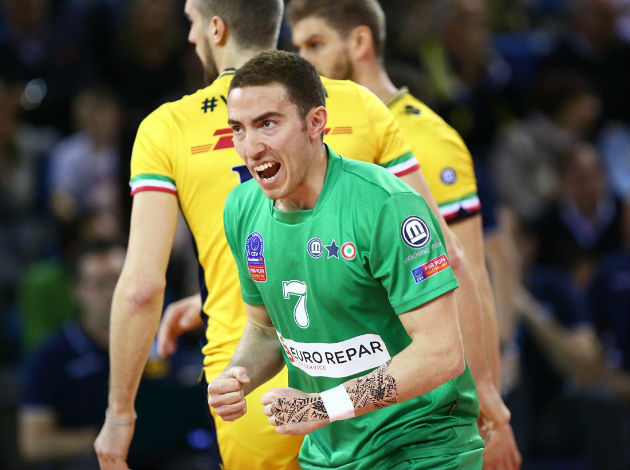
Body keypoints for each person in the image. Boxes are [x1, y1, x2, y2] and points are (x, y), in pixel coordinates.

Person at [94, 1, 462, 469]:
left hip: (311, 406)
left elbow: (141, 290)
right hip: (322, 389)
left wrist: (120, 413)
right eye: (238, 130)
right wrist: (487, 393)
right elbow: (442, 255)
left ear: (216, 28)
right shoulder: (352, 108)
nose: (250, 147)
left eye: (191, 22)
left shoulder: (168, 128)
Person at [210, 49, 484, 470]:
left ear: (315, 122)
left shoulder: (385, 205)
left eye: (267, 124)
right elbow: (265, 331)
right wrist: (237, 376)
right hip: (329, 456)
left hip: (422, 449)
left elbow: (441, 352)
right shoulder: (242, 209)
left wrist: (323, 406)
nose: (251, 147)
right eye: (238, 129)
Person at [286, 1, 519, 467]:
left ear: (359, 42)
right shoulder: (322, 136)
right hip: (344, 405)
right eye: (298, 48)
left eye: (315, 44)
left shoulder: (424, 138)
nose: (303, 63)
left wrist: (487, 397)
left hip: (423, 412)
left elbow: (465, 270)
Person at [19, 240, 125, 468]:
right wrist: (107, 436)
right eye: (99, 284)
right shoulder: (51, 356)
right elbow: (34, 445)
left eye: (119, 280)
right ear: (78, 291)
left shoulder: (158, 339)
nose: (112, 292)